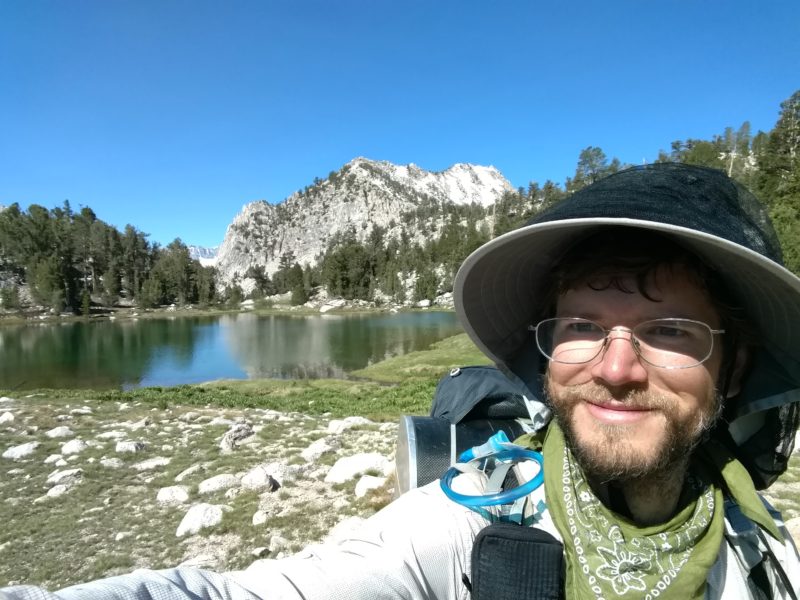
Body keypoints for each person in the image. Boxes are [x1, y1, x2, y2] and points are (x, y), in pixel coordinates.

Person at [3, 163, 799, 599]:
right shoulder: (468, 526)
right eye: (582, 327)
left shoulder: (765, 553)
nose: (615, 369)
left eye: (669, 332)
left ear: (730, 368)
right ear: (545, 351)